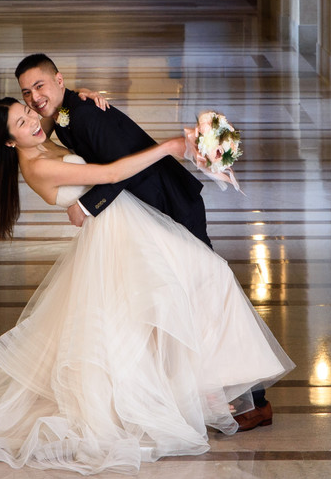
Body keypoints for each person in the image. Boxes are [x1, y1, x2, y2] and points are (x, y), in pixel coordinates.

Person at [0, 98, 294, 474]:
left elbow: (63, 113)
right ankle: (211, 396)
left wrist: (86, 96)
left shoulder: (40, 137)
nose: (32, 119)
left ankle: (221, 390)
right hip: (119, 236)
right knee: (182, 294)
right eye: (21, 122)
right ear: (10, 142)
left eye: (28, 111)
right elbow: (107, 174)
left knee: (192, 288)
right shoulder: (37, 163)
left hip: (126, 225)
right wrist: (169, 147)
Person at [16, 53, 274, 429]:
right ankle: (222, 395)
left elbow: (120, 169)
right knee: (188, 300)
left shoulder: (82, 114)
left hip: (169, 205)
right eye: (27, 93)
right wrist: (79, 94)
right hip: (149, 213)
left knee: (205, 294)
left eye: (40, 86)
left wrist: (87, 207)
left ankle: (254, 400)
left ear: (58, 79)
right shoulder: (69, 113)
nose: (35, 98)